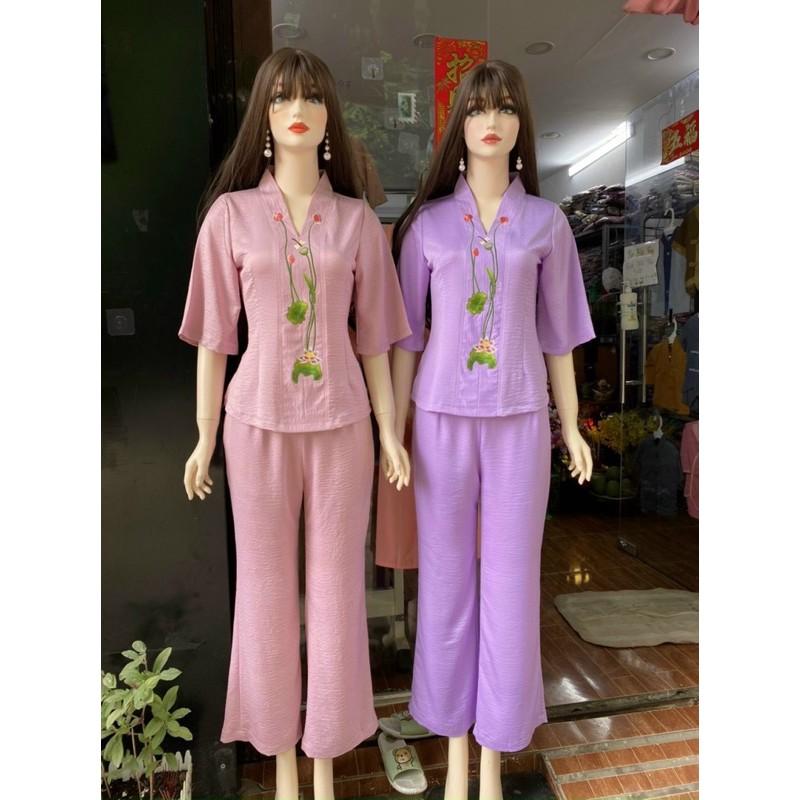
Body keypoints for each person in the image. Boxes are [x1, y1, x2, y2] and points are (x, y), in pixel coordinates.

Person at [178, 47, 411, 800]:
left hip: (343, 425)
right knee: (266, 593)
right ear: (265, 116)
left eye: (310, 96)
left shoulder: (357, 223)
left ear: (328, 116)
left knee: (338, 594)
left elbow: (374, 340)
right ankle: (281, 767)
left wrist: (388, 430)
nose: (296, 109)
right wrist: (205, 435)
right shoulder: (232, 217)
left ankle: (326, 763)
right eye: (280, 97)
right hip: (254, 425)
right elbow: (214, 338)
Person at [389, 60, 595, 800]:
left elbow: (559, 336)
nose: (492, 119)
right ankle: (453, 761)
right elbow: (407, 340)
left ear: (519, 125)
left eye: (506, 107)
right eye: (479, 107)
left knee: (510, 589)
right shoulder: (426, 227)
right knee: (447, 588)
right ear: (460, 124)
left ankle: (495, 761)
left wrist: (572, 426)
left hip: (518, 424)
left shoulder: (547, 223)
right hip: (440, 424)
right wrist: (394, 430)